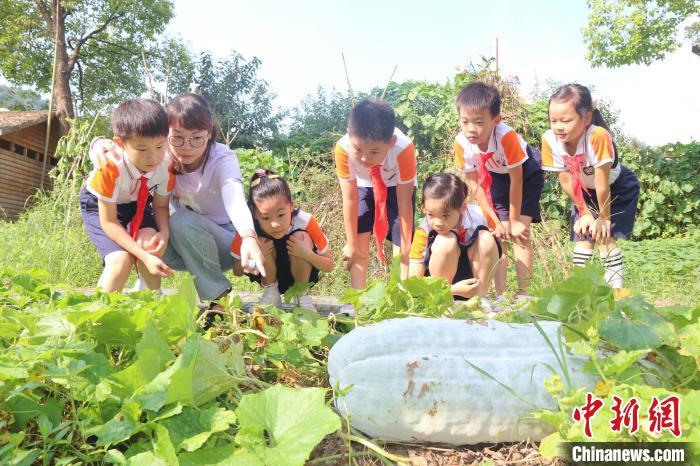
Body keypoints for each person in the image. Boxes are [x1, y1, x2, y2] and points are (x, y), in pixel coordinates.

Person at [89, 93, 265, 305]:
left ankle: (218, 300)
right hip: (184, 244)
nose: (186, 147)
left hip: (223, 244)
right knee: (147, 240)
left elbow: (234, 196)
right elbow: (132, 136)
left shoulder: (221, 158)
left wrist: (248, 236)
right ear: (166, 134)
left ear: (208, 135)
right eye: (177, 137)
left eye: (197, 138)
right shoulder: (160, 154)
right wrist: (97, 143)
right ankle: (147, 295)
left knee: (181, 220)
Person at [542, 83, 639, 289]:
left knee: (604, 238)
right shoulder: (549, 140)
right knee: (583, 239)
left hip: (616, 188)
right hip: (583, 191)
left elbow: (601, 182)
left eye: (566, 120)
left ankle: (616, 297)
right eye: (553, 121)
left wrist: (603, 218)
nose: (558, 127)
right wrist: (584, 212)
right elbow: (566, 179)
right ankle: (581, 295)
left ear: (586, 118)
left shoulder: (598, 136)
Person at [453, 81, 544, 298]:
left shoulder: (506, 136)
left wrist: (513, 221)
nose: (471, 129)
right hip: (494, 176)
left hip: (525, 174)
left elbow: (517, 180)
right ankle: (502, 295)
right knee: (497, 235)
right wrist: (494, 221)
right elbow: (475, 186)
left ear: (496, 121)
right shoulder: (461, 143)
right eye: (464, 121)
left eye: (479, 122)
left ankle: (525, 294)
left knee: (520, 234)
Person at [80, 98, 173, 292]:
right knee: (120, 261)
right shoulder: (110, 167)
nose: (153, 157)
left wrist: (163, 234)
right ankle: (97, 317)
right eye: (142, 149)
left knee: (151, 244)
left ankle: (152, 306)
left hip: (134, 203)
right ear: (120, 144)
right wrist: (143, 258)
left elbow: (161, 206)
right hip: (100, 206)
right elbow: (110, 223)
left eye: (159, 146)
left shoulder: (167, 165)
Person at [335, 98, 417, 289]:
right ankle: (358, 300)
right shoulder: (343, 149)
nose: (364, 158)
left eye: (374, 152)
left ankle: (400, 296)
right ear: (349, 135)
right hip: (363, 185)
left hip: (396, 187)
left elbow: (404, 201)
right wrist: (350, 242)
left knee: (402, 247)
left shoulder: (404, 149)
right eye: (358, 149)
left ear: (391, 142)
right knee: (358, 242)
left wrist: (405, 245)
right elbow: (350, 198)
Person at [230, 169, 333, 309]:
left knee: (300, 237)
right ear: (254, 213)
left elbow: (329, 265)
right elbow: (237, 270)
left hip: (299, 274)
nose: (275, 224)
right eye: (265, 217)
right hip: (269, 276)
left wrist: (307, 254)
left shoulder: (306, 221)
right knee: (258, 242)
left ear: (291, 205)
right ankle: (271, 294)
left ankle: (301, 296)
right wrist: (255, 259)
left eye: (281, 215)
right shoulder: (247, 228)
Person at [408, 173, 501, 300]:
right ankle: (443, 303)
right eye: (430, 214)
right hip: (437, 293)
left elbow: (499, 251)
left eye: (445, 215)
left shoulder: (481, 216)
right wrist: (450, 290)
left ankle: (479, 300)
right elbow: (413, 282)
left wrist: (502, 292)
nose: (437, 223)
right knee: (445, 240)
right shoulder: (423, 231)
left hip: (473, 286)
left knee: (486, 238)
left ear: (462, 207)